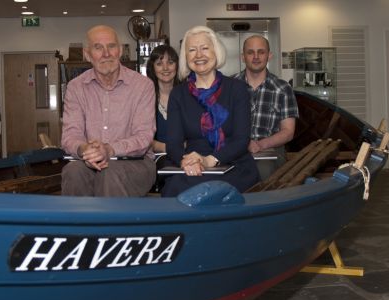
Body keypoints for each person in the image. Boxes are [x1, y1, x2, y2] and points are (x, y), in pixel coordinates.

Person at [161, 26, 259, 197]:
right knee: (174, 189)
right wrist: (186, 161)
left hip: (234, 165)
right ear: (186, 57)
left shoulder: (237, 89)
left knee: (219, 194)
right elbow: (173, 144)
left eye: (205, 48)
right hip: (194, 166)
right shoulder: (178, 94)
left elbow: (241, 140)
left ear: (217, 52)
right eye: (192, 50)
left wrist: (210, 160)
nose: (199, 55)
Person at [61, 25, 156, 197]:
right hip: (87, 162)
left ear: (119, 51)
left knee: (110, 172)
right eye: (98, 47)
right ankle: (77, 224)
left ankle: (111, 224)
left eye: (111, 46)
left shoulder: (143, 86)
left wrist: (109, 150)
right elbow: (70, 135)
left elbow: (144, 137)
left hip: (136, 162)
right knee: (73, 172)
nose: (106, 54)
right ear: (88, 54)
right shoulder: (75, 88)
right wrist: (85, 150)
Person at [234, 34, 299, 180]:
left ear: (269, 55)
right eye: (250, 52)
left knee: (262, 174)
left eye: (261, 52)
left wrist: (260, 145)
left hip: (270, 151)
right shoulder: (229, 86)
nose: (256, 57)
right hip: (235, 150)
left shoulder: (283, 89)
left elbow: (288, 132)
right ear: (243, 57)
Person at [146, 44, 180, 153]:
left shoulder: (188, 95)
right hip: (154, 160)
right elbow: (140, 138)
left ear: (177, 66)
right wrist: (169, 148)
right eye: (159, 64)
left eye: (170, 63)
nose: (165, 68)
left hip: (186, 158)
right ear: (152, 67)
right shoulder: (144, 98)